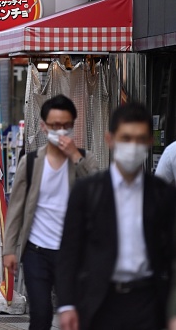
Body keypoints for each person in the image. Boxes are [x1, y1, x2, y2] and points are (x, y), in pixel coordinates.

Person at [57, 102, 176, 330]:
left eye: (140, 139)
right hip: (100, 301)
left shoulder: (163, 194)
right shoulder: (88, 192)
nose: (133, 146)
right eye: (126, 138)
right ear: (110, 139)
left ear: (150, 142)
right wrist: (66, 304)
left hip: (148, 302)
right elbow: (69, 252)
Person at [2, 95, 98, 330]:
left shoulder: (84, 159)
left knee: (75, 314)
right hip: (37, 250)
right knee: (41, 314)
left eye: (65, 125)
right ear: (44, 127)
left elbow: (99, 193)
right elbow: (16, 208)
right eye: (55, 126)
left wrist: (76, 157)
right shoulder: (32, 161)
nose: (60, 131)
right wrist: (9, 251)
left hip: (73, 253)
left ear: (73, 125)